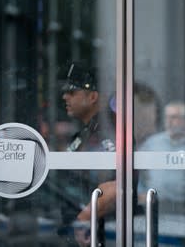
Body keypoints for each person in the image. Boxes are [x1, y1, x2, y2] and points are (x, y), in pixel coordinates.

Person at [58, 62, 116, 247]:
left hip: (96, 230)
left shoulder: (107, 131)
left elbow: (117, 185)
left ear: (92, 97)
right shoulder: (86, 131)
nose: (65, 96)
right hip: (81, 226)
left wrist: (83, 221)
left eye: (72, 92)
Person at [137, 101, 185, 215]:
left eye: (174, 117)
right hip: (153, 208)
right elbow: (140, 173)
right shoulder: (152, 143)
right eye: (167, 117)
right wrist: (141, 193)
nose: (169, 121)